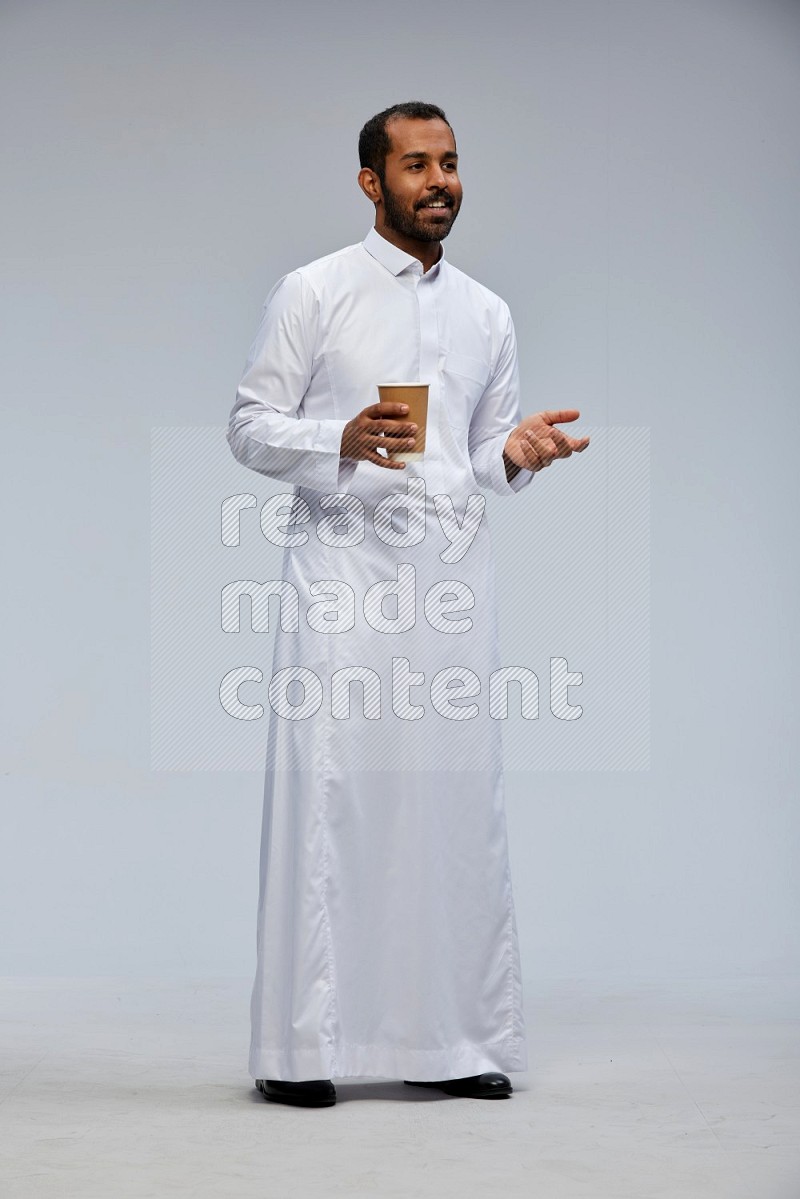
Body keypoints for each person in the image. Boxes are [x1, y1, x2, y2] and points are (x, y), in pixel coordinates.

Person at [227, 101, 589, 1109]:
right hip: (341, 582)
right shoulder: (316, 291)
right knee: (333, 795)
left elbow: (472, 455)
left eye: (451, 163)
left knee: (451, 804)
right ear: (369, 181)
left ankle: (455, 1035)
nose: (439, 181)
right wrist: (338, 438)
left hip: (449, 588)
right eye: (417, 164)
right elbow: (248, 425)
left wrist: (511, 456)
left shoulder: (486, 311)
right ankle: (301, 1047)